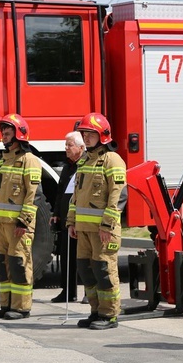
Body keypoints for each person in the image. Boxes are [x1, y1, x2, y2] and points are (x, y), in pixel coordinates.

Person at [66, 112, 127, 330]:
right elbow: (76, 196)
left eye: (90, 134)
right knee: (86, 270)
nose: (86, 138)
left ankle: (109, 315)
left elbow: (117, 197)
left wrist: (107, 226)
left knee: (104, 271)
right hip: (83, 229)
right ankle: (95, 311)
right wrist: (71, 222)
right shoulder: (84, 160)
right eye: (84, 134)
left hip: (103, 230)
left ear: (102, 135)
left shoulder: (112, 160)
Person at [0, 113, 42, 320]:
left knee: (19, 265)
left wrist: (24, 221)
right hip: (1, 224)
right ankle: (6, 304)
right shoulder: (4, 162)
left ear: (19, 135)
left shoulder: (29, 161)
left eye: (8, 133)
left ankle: (21, 308)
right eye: (3, 133)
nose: (3, 137)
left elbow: (33, 194)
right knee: (3, 265)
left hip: (18, 225)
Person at [49, 130, 85, 303]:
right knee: (67, 256)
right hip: (66, 219)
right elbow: (60, 192)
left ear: (81, 147)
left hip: (83, 220)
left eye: (70, 145)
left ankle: (88, 293)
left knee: (86, 258)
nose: (66, 148)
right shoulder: (67, 167)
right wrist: (56, 214)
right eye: (66, 145)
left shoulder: (86, 165)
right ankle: (68, 291)